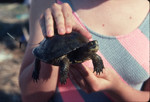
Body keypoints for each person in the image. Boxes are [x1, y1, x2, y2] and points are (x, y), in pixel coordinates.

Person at [19, 0, 150, 102]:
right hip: (56, 51)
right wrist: (53, 38)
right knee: (63, 60)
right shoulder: (48, 3)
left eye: (94, 45)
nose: (94, 46)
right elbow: (30, 97)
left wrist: (116, 88)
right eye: (92, 45)